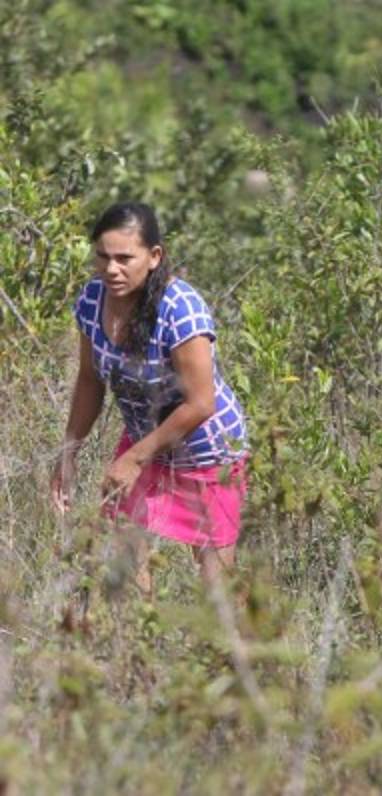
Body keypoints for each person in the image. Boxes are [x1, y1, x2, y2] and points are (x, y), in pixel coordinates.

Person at [51, 202, 249, 592]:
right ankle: (140, 647)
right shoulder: (93, 299)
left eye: (125, 258)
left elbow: (200, 403)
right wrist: (69, 451)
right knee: (124, 565)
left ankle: (235, 653)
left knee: (218, 593)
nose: (111, 269)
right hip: (146, 443)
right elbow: (90, 379)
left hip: (207, 453)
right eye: (103, 257)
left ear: (154, 257)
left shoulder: (180, 308)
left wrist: (133, 458)